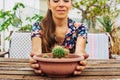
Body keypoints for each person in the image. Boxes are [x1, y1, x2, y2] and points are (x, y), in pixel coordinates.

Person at [30, 0, 89, 75]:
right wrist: (34, 61)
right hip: (45, 73)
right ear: (49, 4)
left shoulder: (80, 28)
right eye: (55, 1)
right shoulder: (38, 27)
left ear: (71, 5)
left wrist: (81, 61)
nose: (61, 4)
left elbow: (79, 52)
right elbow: (36, 53)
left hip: (71, 73)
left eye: (66, 1)